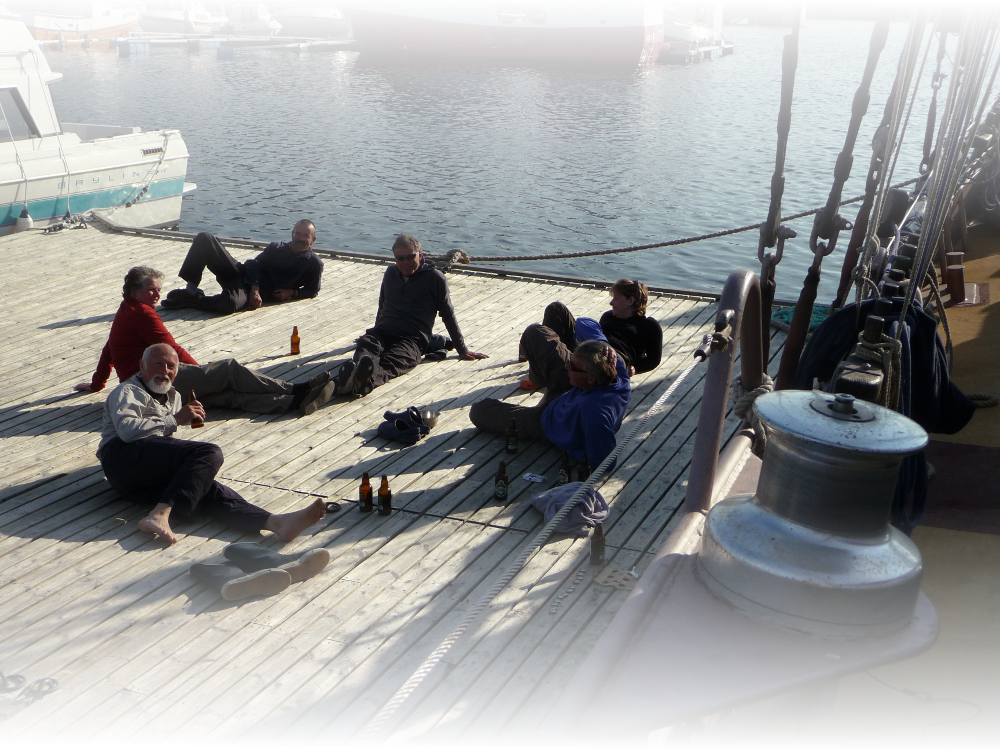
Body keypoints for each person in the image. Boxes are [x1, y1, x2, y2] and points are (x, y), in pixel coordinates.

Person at [98, 344, 327, 545]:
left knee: (203, 486)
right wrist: (176, 420)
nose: (165, 371)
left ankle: (275, 523)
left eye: (171, 367)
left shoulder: (174, 396)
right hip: (121, 459)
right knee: (208, 452)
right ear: (141, 365)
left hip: (143, 477)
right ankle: (161, 513)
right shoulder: (127, 392)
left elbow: (161, 442)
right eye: (158, 364)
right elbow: (128, 433)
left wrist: (179, 425)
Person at [75, 266, 334, 416]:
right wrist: (201, 373)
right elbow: (172, 350)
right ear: (134, 291)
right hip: (153, 382)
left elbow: (109, 348)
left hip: (143, 389)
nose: (157, 294)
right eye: (151, 289)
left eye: (158, 289)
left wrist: (98, 384)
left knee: (227, 396)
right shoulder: (141, 314)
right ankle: (293, 389)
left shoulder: (125, 310)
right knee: (228, 370)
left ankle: (293, 404)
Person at [333, 233, 488, 397]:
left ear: (420, 254)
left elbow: (448, 315)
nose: (405, 262)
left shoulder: (435, 279)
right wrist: (374, 330)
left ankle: (361, 381)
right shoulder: (391, 273)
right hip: (383, 331)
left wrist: (462, 349)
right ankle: (355, 373)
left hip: (412, 338)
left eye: (410, 257)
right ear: (395, 259)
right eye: (400, 258)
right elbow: (382, 305)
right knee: (367, 345)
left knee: (394, 361)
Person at [470, 323, 631, 468]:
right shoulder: (617, 371)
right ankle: (546, 388)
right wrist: (604, 345)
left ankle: (539, 404)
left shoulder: (595, 412)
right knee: (535, 332)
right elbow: (584, 322)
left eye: (572, 366)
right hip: (570, 390)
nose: (567, 365)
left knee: (479, 410)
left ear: (590, 377)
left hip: (545, 423)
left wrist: (569, 448)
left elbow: (605, 463)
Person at [160, 220, 323, 315]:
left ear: (313, 239)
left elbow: (312, 290)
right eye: (297, 234)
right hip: (243, 277)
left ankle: (194, 300)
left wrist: (292, 293)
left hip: (248, 291)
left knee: (228, 305)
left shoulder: (314, 264)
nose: (300, 238)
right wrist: (255, 289)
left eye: (305, 236)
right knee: (205, 238)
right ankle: (190, 290)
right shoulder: (277, 247)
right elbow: (253, 264)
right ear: (292, 234)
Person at [527, 279, 662, 383]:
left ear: (630, 301)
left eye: (616, 298)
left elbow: (654, 359)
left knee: (600, 356)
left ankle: (564, 371)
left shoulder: (648, 325)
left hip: (615, 357)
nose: (611, 303)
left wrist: (636, 367)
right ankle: (547, 369)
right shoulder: (608, 316)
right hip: (590, 347)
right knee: (556, 308)